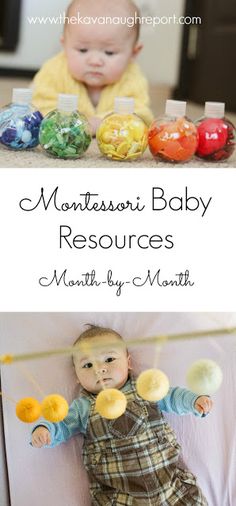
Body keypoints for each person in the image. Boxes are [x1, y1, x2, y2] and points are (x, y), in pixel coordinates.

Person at [32, 325, 212, 505]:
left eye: (109, 359)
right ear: (77, 376)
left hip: (171, 486)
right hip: (119, 496)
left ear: (128, 363)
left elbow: (172, 396)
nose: (99, 369)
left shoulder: (146, 387)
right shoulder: (83, 407)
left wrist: (194, 401)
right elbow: (62, 423)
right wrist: (45, 430)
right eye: (88, 365)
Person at [32, 0, 153, 135]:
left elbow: (142, 116)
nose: (95, 61)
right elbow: (40, 105)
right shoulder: (53, 72)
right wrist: (68, 120)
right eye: (83, 50)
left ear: (133, 53)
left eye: (109, 52)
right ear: (64, 45)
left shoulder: (132, 78)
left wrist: (102, 122)